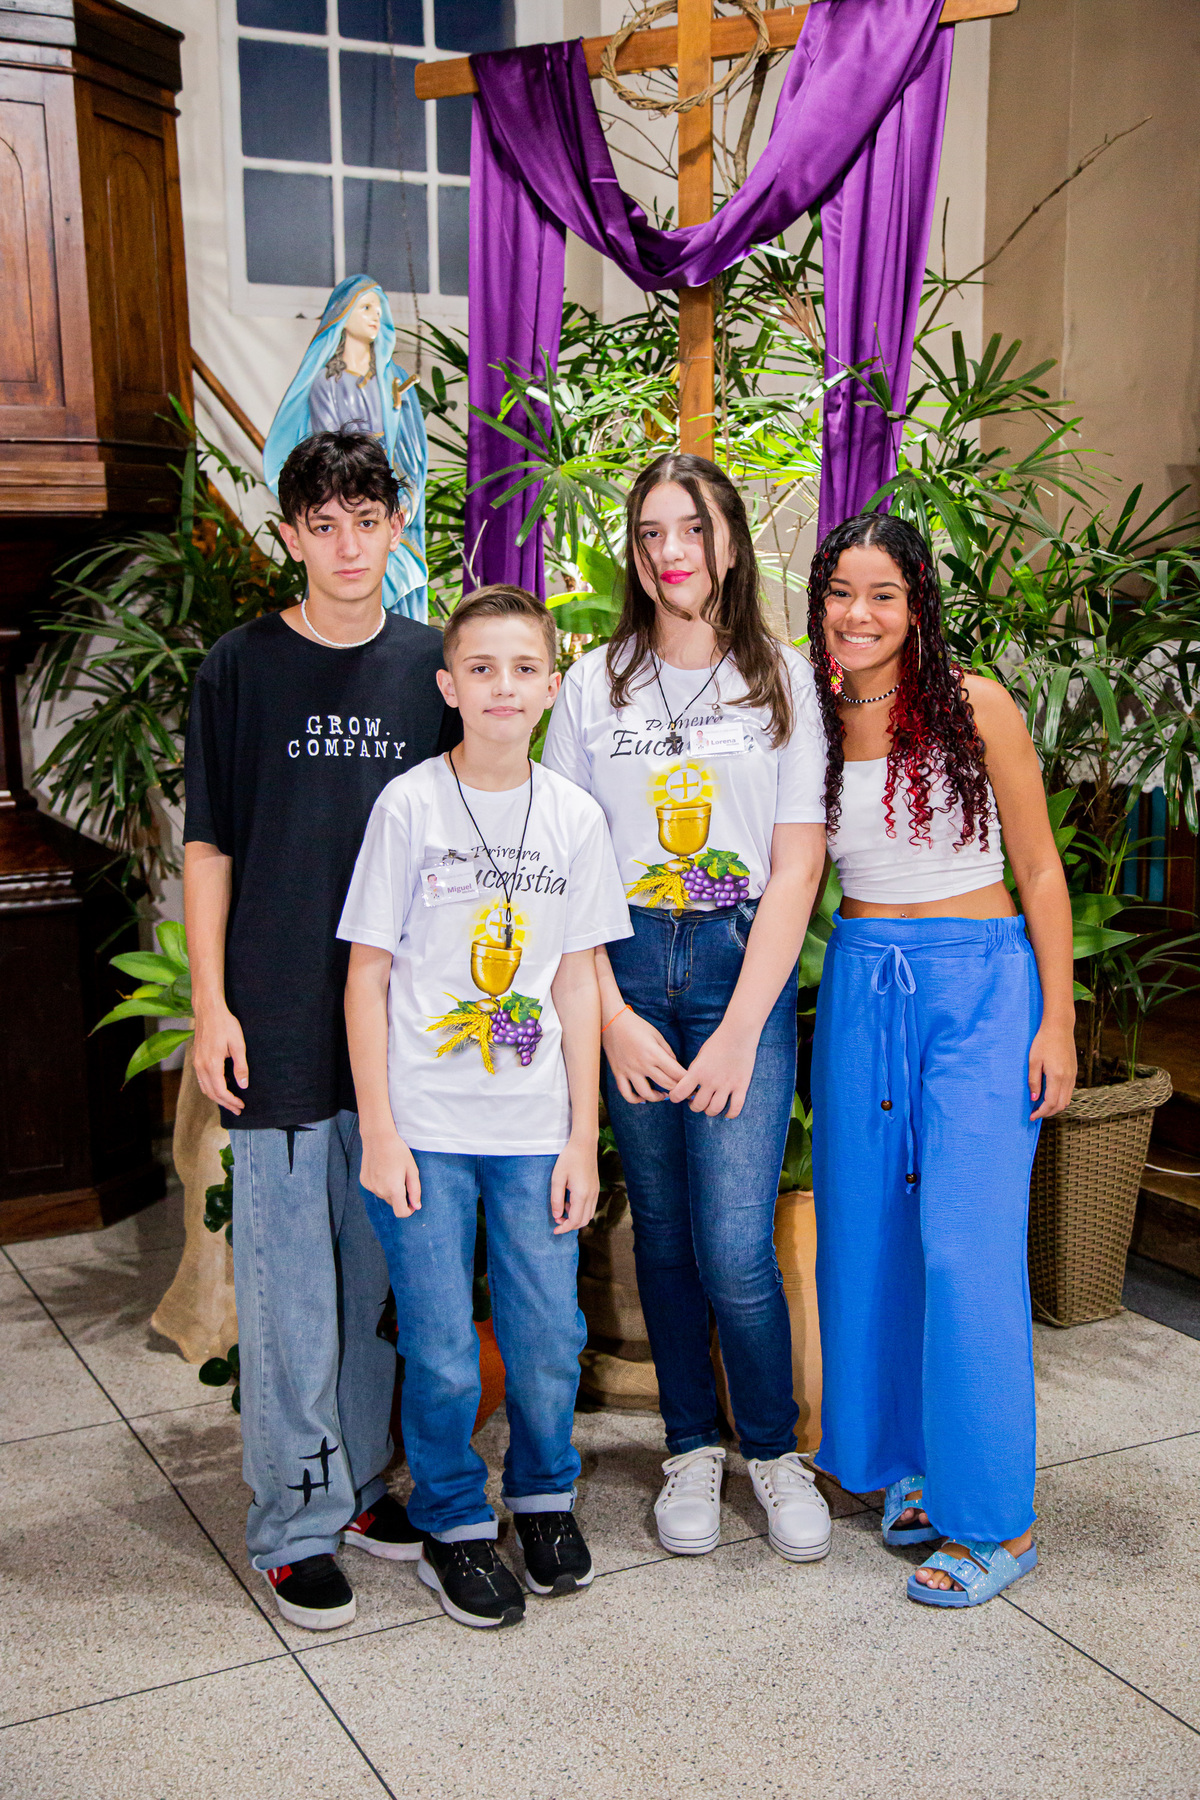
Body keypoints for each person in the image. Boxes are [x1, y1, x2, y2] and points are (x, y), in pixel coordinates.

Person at [183, 431, 460, 1631]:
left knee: (380, 1272)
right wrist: (211, 1005)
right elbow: (209, 846)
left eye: (367, 519)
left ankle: (354, 1489)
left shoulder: (434, 668)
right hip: (281, 1018)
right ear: (291, 535)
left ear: (397, 525)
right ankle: (292, 1520)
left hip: (403, 1030)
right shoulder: (240, 668)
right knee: (291, 1284)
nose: (348, 545)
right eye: (323, 524)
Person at [541, 452, 831, 1563]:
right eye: (653, 531)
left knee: (734, 1244)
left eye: (694, 529)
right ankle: (691, 1447)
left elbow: (796, 866)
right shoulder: (594, 683)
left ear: (731, 542)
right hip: (624, 964)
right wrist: (610, 1016)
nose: (673, 552)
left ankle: (774, 1452)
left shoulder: (784, 680)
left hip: (734, 964)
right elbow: (566, 865)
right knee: (660, 1233)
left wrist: (745, 1027)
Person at [340, 584, 631, 1630]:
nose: (502, 687)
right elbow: (367, 974)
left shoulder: (574, 817)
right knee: (441, 1348)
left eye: (523, 668)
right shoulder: (409, 806)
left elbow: (577, 981)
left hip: (534, 1134)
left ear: (551, 687)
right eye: (481, 669)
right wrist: (379, 1130)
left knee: (548, 1335)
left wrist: (582, 1139)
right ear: (448, 686)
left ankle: (544, 1499)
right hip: (423, 1130)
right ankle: (455, 1522)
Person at [806, 511, 1077, 1608]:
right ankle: (911, 1466)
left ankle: (999, 1520)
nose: (858, 614)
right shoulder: (811, 715)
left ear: (918, 605)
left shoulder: (977, 705)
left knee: (965, 1247)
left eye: (883, 594)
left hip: (981, 989)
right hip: (862, 987)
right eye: (841, 592)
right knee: (870, 1238)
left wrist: (1057, 1021)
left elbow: (1042, 870)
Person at [263, 275, 429, 621]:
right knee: (340, 595)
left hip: (387, 497)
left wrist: (401, 500)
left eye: (379, 310)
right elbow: (327, 454)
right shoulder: (327, 380)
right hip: (343, 493)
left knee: (396, 599)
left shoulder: (395, 378)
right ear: (342, 313)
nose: (375, 316)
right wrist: (351, 503)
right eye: (365, 307)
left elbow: (410, 449)